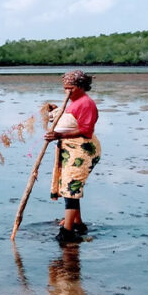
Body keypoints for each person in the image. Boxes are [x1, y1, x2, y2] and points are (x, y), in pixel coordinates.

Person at [43, 70, 101, 244]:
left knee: (71, 187)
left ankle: (67, 232)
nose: (67, 92)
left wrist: (59, 136)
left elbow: (86, 130)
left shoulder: (86, 103)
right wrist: (56, 110)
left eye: (71, 88)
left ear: (81, 87)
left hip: (83, 151)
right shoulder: (73, 102)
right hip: (70, 150)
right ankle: (77, 223)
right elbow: (69, 118)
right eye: (65, 88)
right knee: (68, 185)